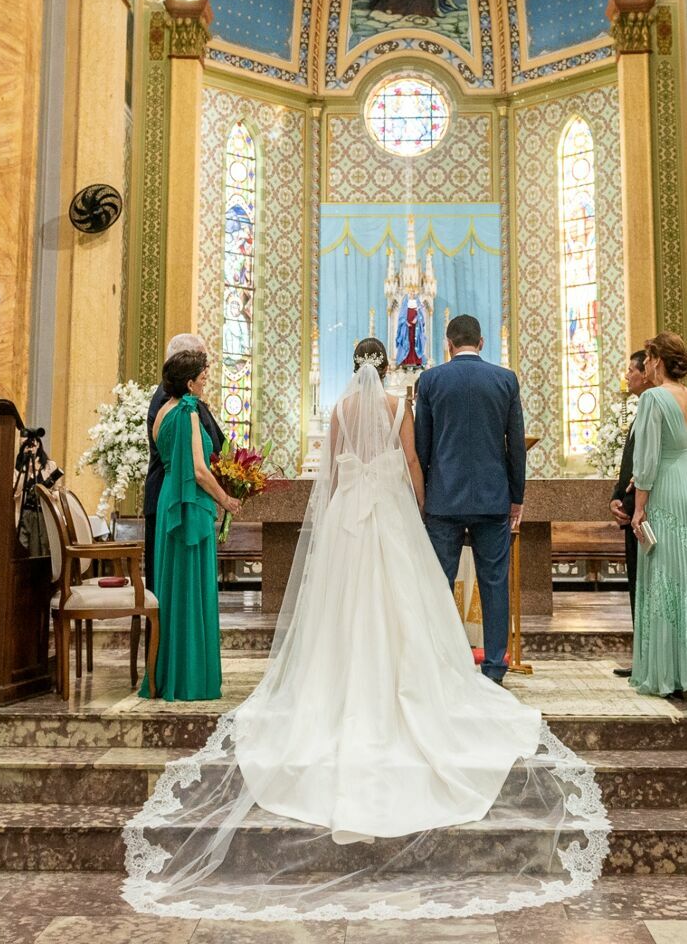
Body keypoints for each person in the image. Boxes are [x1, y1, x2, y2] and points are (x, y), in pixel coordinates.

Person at [121, 340, 608, 920]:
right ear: (386, 366)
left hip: (347, 523)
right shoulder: (398, 408)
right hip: (389, 522)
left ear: (353, 366)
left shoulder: (339, 410)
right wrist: (421, 510)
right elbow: (410, 466)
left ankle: (337, 687)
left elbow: (327, 473)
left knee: (339, 613)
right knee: (402, 608)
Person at [414, 314, 526, 684]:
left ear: (448, 344)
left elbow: (421, 447)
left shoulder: (429, 380)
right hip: (494, 498)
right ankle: (495, 666)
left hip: (443, 500)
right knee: (495, 583)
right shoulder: (505, 380)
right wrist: (516, 496)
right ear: (481, 343)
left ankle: (442, 663)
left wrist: (425, 495)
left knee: (439, 583)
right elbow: (516, 448)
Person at [628, 333, 687, 698]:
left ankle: (668, 674)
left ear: (657, 360)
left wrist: (639, 507)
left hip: (666, 488)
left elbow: (648, 460)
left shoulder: (653, 398)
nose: (648, 364)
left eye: (649, 358)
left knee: (664, 576)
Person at [146, 348, 240, 702]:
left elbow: (170, 460)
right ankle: (190, 678)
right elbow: (200, 471)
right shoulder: (187, 411)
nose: (206, 381)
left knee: (173, 590)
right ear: (189, 382)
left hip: (170, 497)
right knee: (191, 590)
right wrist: (226, 500)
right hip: (191, 505)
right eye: (203, 376)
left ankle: (169, 672)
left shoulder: (161, 413)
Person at [142, 333, 222, 588]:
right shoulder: (177, 404)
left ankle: (168, 628)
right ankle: (171, 629)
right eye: (201, 362)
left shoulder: (178, 400)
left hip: (176, 495)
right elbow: (197, 465)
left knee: (169, 582)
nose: (206, 370)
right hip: (179, 498)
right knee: (173, 582)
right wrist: (225, 497)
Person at [609, 349, 650, 679]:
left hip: (646, 511)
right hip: (633, 508)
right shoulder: (642, 411)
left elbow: (647, 467)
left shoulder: (654, 407)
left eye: (631, 370)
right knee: (637, 586)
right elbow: (631, 464)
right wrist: (616, 497)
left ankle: (650, 659)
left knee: (646, 584)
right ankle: (644, 657)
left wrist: (635, 504)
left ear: (647, 372)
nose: (627, 376)